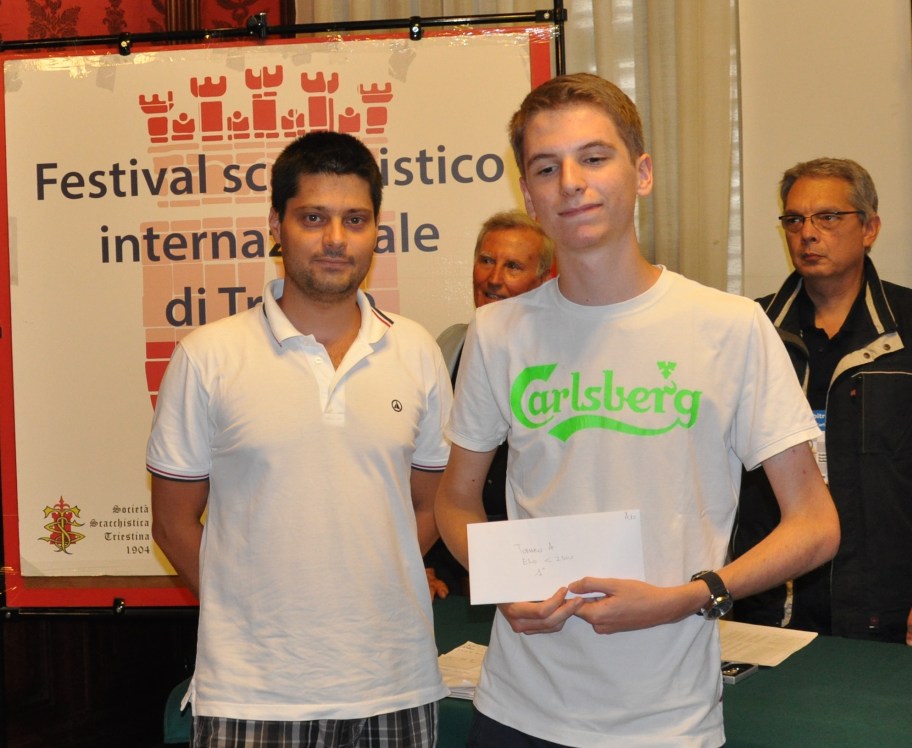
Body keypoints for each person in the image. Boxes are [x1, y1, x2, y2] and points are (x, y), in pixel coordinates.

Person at [434, 73, 840, 747]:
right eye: (546, 167)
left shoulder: (731, 327)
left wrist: (690, 596)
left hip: (667, 722)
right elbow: (455, 500)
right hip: (517, 712)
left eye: (594, 158)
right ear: (529, 196)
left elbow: (815, 524)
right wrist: (499, 581)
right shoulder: (497, 332)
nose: (571, 182)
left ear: (642, 173)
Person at [147, 131, 452, 746]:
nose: (335, 239)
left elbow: (431, 505)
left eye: (354, 220)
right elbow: (173, 523)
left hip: (393, 683)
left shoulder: (417, 350)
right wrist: (250, 616)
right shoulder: (208, 356)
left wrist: (371, 576)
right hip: (251, 694)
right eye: (314, 217)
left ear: (376, 230)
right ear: (276, 226)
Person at [731, 157, 912, 651]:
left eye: (828, 217)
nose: (808, 233)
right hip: (773, 598)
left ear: (869, 228)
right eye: (794, 219)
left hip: (894, 595)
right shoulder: (751, 327)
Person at [427, 211, 555, 595]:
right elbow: (427, 469)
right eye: (486, 260)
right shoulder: (450, 344)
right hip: (453, 560)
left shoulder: (559, 361)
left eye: (513, 266)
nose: (494, 278)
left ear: (544, 280)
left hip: (533, 567)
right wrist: (421, 559)